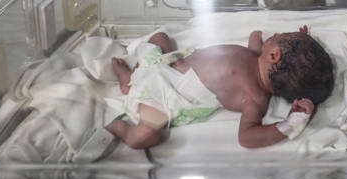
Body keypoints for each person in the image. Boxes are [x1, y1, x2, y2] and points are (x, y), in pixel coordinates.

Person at [105, 26, 334, 150]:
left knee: (143, 135)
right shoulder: (255, 55)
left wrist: (290, 124)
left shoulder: (255, 99)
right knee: (161, 36)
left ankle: (121, 121)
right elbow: (256, 42)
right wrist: (298, 43)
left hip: (163, 98)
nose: (275, 34)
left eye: (280, 36)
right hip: (162, 64)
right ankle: (131, 78)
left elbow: (247, 137)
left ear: (274, 55)